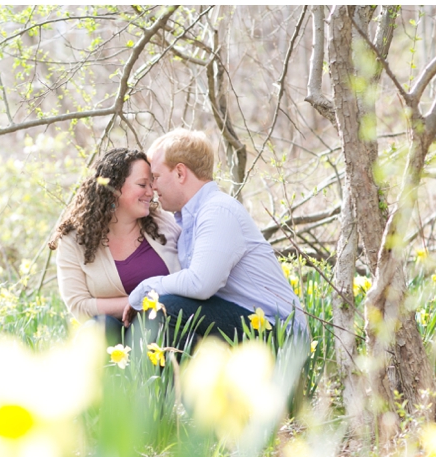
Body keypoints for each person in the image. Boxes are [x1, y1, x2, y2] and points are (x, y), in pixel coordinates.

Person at [123, 129, 308, 345]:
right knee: (169, 308)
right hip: (247, 320)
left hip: (279, 332)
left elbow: (201, 284)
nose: (153, 187)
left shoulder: (218, 211)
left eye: (156, 177)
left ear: (180, 173)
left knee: (169, 308)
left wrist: (145, 289)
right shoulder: (190, 222)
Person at [50, 148, 181, 342]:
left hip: (160, 331)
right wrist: (136, 303)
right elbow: (79, 305)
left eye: (151, 184)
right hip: (109, 337)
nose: (150, 192)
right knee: (98, 327)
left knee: (153, 322)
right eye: (142, 184)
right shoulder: (74, 239)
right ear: (114, 189)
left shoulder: (165, 223)